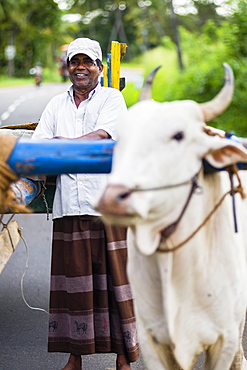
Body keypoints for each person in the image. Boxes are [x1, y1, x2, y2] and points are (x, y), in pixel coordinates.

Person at [32, 38, 139, 370]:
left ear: (100, 68)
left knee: (116, 283)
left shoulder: (111, 98)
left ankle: (125, 358)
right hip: (69, 206)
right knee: (74, 287)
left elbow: (103, 136)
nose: (81, 67)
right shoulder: (55, 105)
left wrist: (61, 146)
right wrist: (57, 149)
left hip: (107, 207)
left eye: (88, 62)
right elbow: (39, 148)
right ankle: (74, 357)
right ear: (67, 67)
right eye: (74, 61)